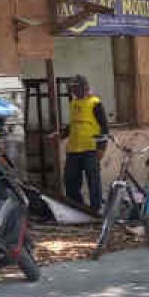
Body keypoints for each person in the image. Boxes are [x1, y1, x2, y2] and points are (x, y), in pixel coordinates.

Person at [62, 75, 109, 210]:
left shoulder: (95, 103)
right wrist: (61, 135)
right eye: (72, 88)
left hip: (91, 149)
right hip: (73, 149)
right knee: (70, 180)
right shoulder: (74, 103)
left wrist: (102, 148)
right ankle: (77, 206)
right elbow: (72, 125)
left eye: (76, 88)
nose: (74, 91)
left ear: (84, 87)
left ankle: (96, 209)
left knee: (93, 181)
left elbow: (104, 127)